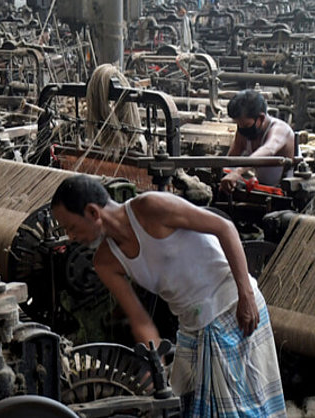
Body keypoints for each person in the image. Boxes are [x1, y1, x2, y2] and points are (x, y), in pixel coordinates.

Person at [50, 175, 286, 417]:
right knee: (190, 409)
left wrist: (245, 294)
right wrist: (156, 370)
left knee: (245, 411)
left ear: (92, 212)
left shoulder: (151, 208)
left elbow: (224, 228)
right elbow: (140, 319)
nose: (70, 237)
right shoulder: (105, 261)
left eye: (71, 227)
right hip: (193, 328)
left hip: (233, 310)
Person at [220, 89, 296, 192]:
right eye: (239, 125)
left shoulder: (280, 129)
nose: (241, 129)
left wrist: (238, 171)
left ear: (261, 118)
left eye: (246, 125)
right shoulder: (243, 131)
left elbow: (269, 149)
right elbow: (231, 160)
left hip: (285, 193)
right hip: (262, 189)